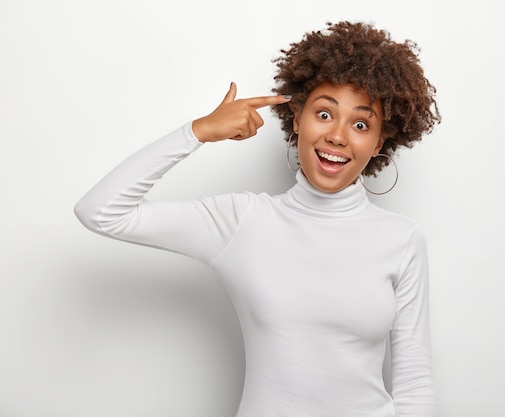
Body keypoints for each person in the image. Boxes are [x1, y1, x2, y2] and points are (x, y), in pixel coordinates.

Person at [75, 20, 440, 417]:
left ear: (379, 143)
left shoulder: (401, 239)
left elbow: (415, 382)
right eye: (323, 114)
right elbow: (101, 212)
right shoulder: (240, 221)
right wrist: (197, 132)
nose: (338, 136)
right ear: (297, 118)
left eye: (360, 124)